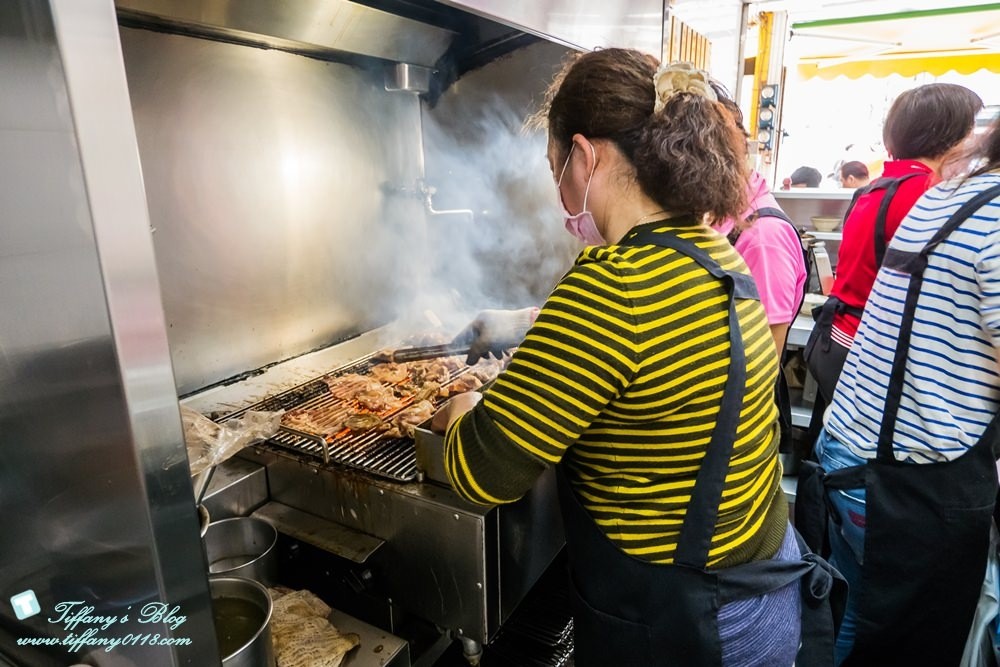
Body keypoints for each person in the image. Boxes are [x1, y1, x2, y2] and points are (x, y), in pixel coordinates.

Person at [433, 52, 842, 667]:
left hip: (693, 622)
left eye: (554, 167)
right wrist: (525, 323)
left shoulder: (610, 285)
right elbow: (647, 340)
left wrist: (461, 403)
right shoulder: (713, 251)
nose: (557, 189)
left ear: (584, 155)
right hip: (758, 589)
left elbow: (481, 471)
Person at [808, 113, 1000, 665]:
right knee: (883, 642)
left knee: (849, 620)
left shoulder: (947, 193)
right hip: (904, 481)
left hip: (859, 454)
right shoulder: (974, 205)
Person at [803, 83, 982, 405]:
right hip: (873, 350)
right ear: (949, 135)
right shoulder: (930, 196)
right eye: (971, 131)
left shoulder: (878, 188)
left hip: (838, 337)